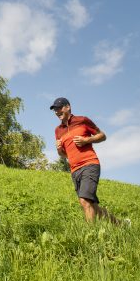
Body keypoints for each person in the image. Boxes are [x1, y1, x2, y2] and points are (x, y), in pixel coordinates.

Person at [51, 97, 128, 226]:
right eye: (55, 110)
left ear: (68, 107)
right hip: (75, 170)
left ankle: (90, 235)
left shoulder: (82, 120)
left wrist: (86, 140)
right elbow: (63, 155)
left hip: (89, 164)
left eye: (59, 108)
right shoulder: (58, 130)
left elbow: (102, 135)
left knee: (84, 201)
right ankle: (120, 224)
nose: (57, 112)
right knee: (93, 206)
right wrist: (59, 149)